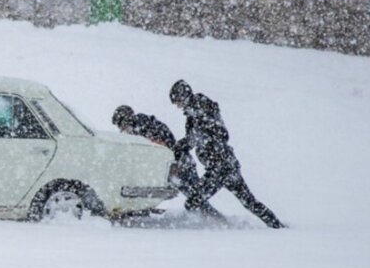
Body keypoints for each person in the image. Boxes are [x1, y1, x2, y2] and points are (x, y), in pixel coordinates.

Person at [169, 80, 285, 228]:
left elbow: (220, 134)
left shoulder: (201, 109)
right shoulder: (195, 113)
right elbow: (195, 139)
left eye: (177, 101)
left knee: (194, 201)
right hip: (227, 165)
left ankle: (215, 226)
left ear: (184, 97)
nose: (177, 106)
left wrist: (187, 143)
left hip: (219, 167)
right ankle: (277, 226)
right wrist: (182, 147)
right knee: (249, 202)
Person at [112, 105, 224, 220]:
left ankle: (216, 219)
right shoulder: (144, 125)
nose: (121, 130)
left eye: (121, 126)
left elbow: (162, 145)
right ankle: (213, 218)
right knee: (195, 197)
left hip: (180, 165)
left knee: (195, 197)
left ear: (126, 120)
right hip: (179, 164)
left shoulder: (142, 128)